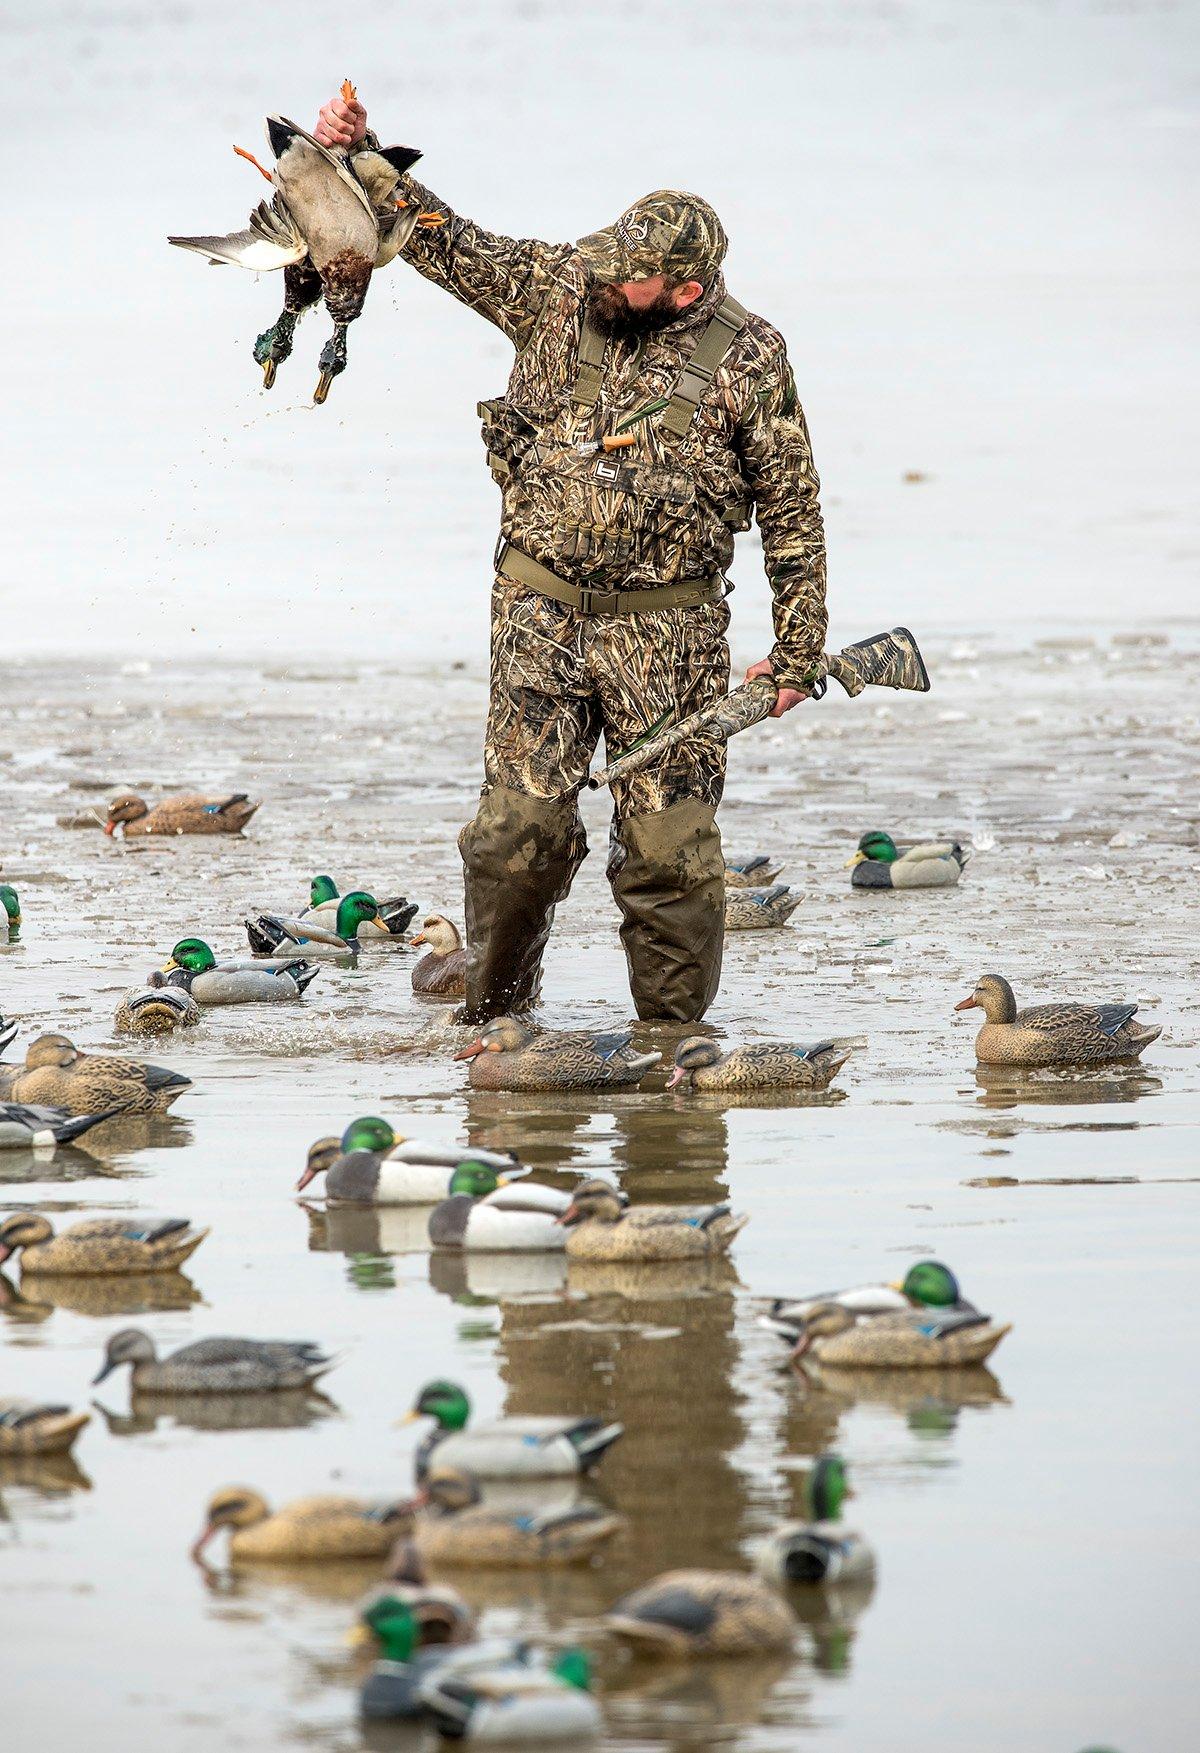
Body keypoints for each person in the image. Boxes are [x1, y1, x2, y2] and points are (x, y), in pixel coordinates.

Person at [314, 89, 828, 1025]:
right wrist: (358, 155)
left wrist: (798, 652)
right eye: (607, 260)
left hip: (669, 636)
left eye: (629, 277)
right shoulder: (557, 287)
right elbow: (436, 234)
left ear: (685, 289)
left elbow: (792, 509)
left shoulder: (751, 356)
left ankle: (674, 1055)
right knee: (516, 839)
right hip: (538, 619)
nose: (605, 280)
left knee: (671, 856)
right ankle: (499, 1033)